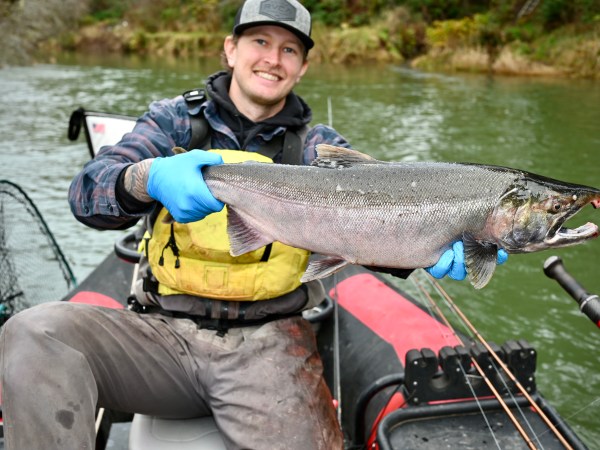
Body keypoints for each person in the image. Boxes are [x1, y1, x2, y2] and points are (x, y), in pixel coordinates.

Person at [0, 1, 507, 449]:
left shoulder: (319, 148)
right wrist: (146, 176)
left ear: (303, 67)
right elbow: (86, 194)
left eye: (290, 50)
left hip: (271, 346)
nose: (273, 58)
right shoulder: (173, 123)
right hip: (160, 335)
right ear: (230, 49)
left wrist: (427, 243)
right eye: (260, 42)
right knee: (33, 332)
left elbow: (364, 224)